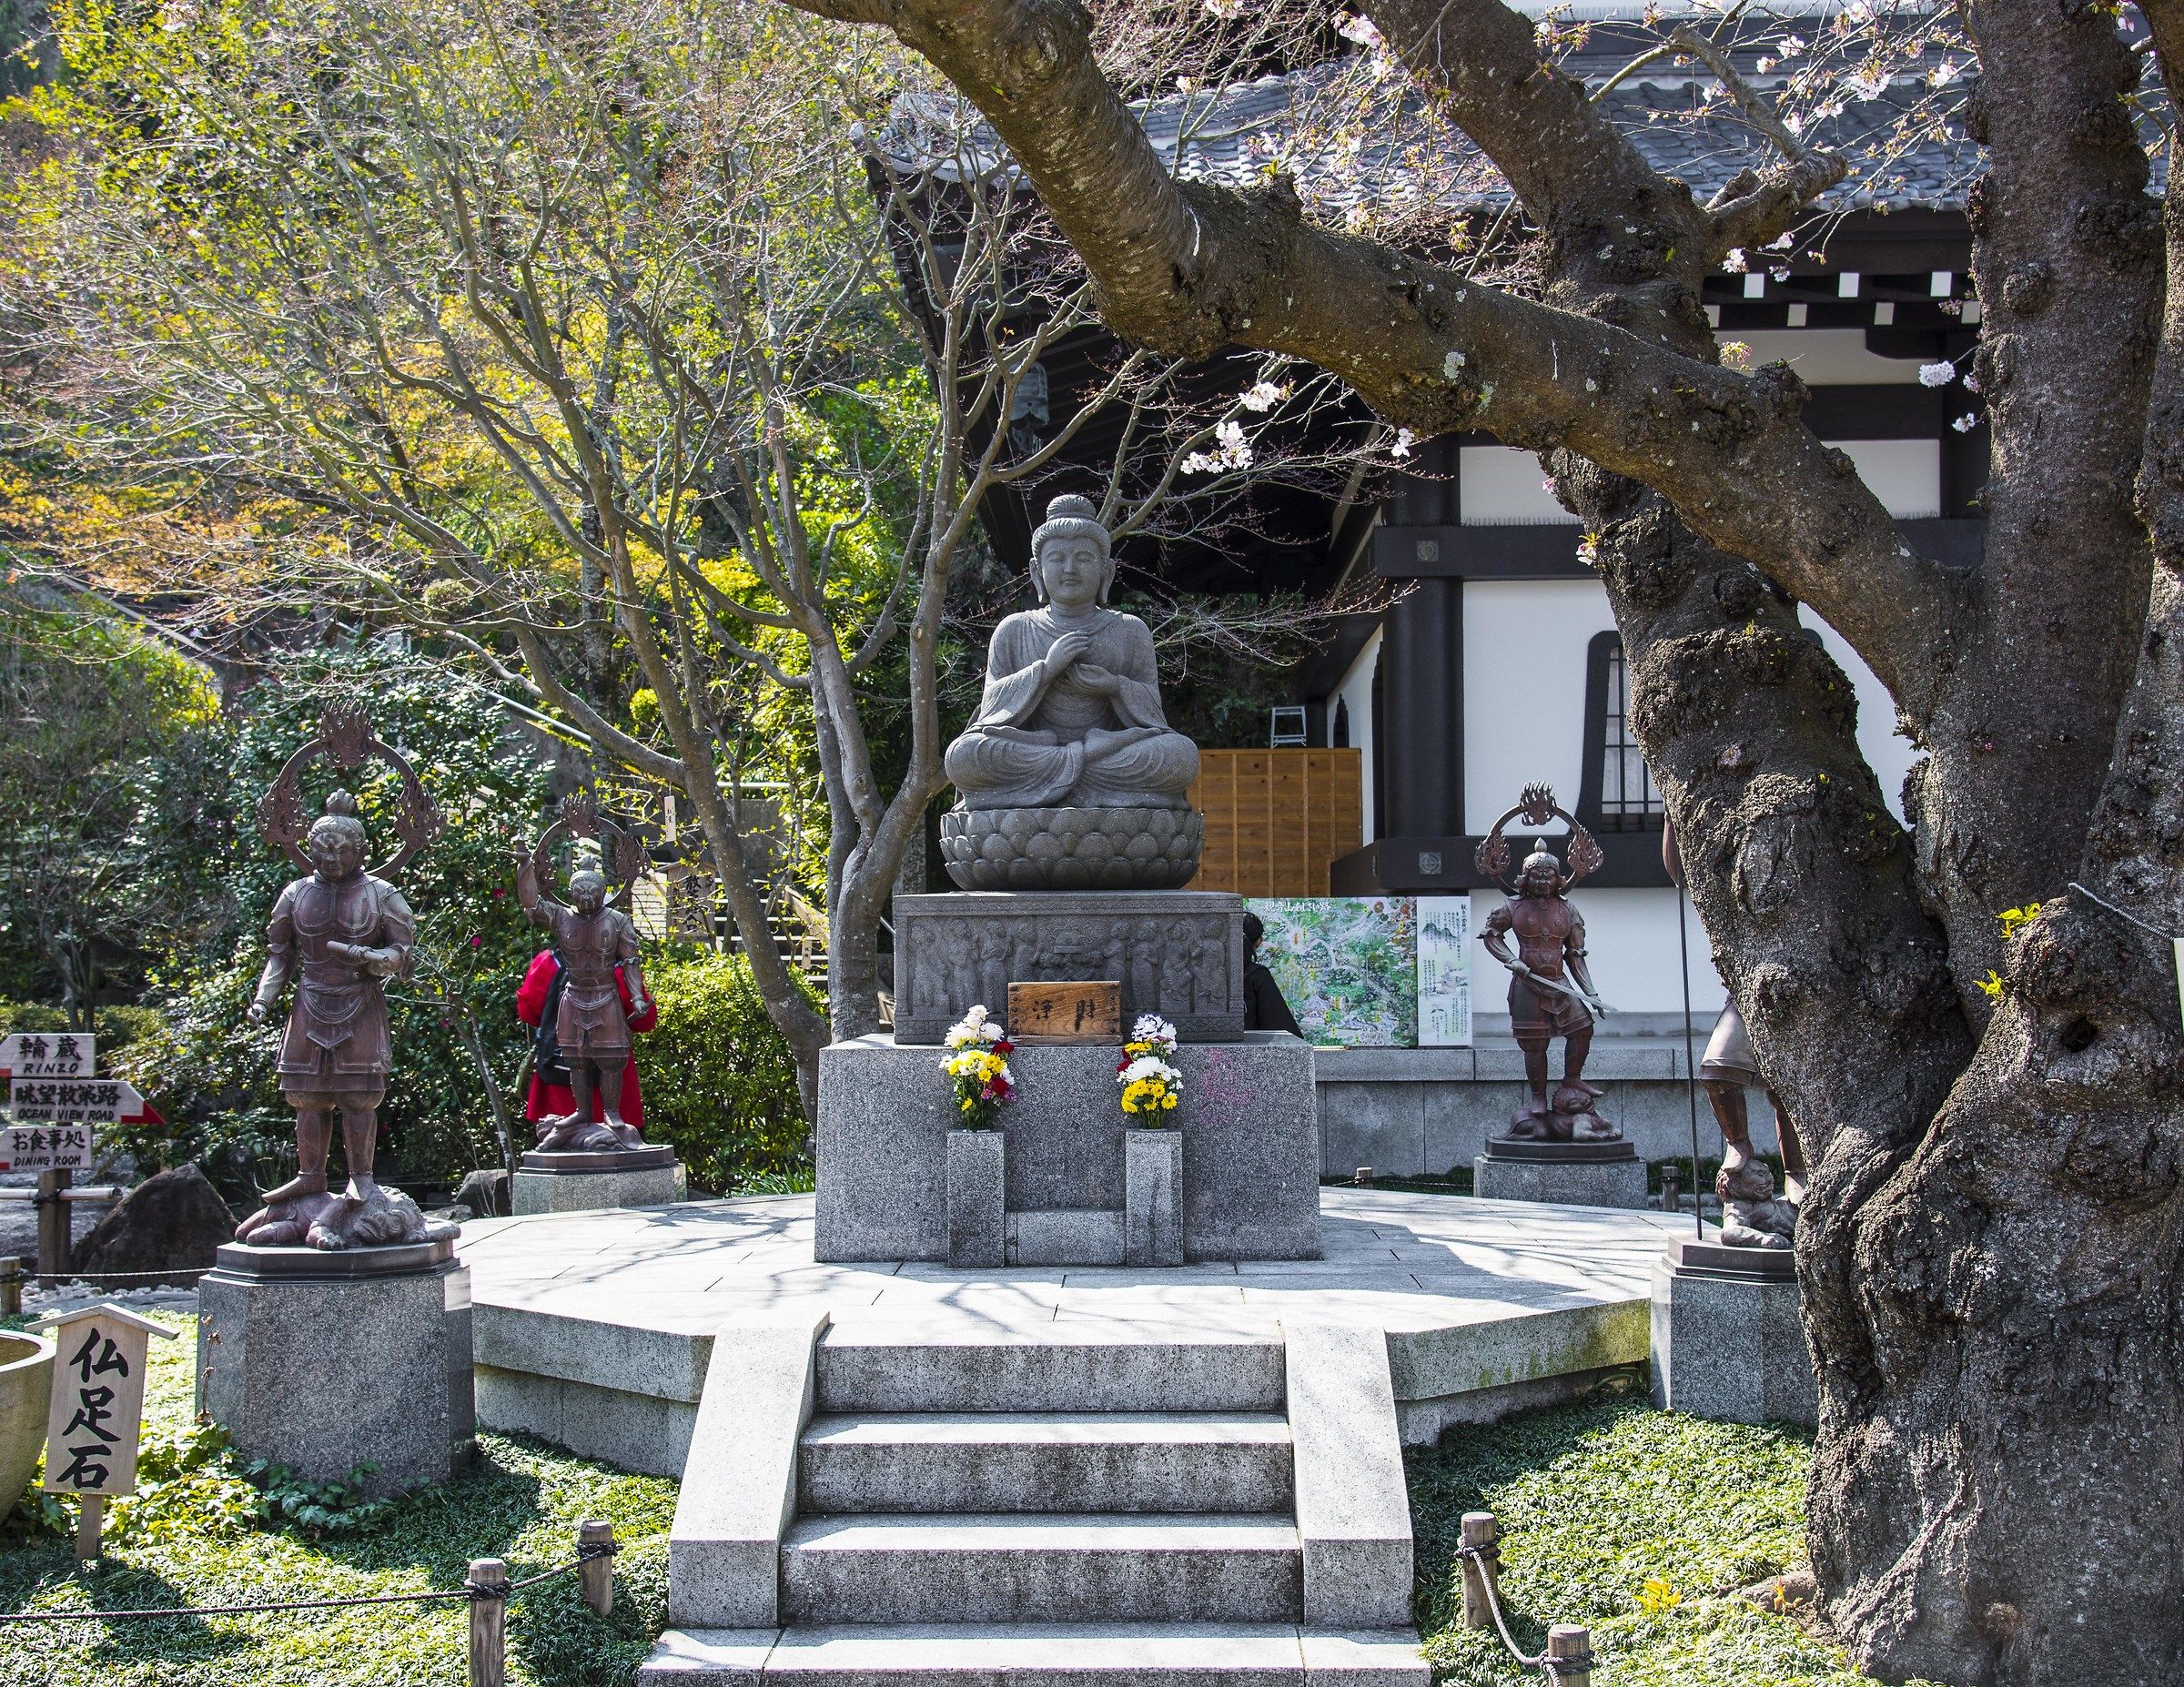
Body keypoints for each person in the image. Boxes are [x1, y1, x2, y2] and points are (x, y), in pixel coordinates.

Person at [943, 494, 1199, 810]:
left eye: (1083, 559)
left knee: (1179, 754)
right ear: (1037, 571)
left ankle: (1060, 783)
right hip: (1038, 753)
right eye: (1056, 558)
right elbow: (991, 708)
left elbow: (1153, 715)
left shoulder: (1130, 630)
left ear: (1106, 572)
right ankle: (1084, 772)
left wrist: (1114, 686)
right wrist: (1045, 670)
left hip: (1108, 755)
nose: (1069, 569)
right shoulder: (1014, 630)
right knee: (964, 755)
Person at [245, 791, 413, 1210]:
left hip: (360, 998)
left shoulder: (381, 894)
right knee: (307, 1095)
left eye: (340, 850)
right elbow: (280, 954)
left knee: (360, 1095)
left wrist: (380, 959)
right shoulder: (295, 893)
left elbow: (402, 950)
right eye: (321, 848)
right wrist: (264, 1000)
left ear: (361, 852)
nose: (330, 858)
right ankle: (310, 1177)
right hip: (311, 998)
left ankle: (362, 1180)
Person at [512, 848, 652, 1147]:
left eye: (593, 891)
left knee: (612, 1058)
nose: (586, 898)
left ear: (603, 892)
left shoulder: (617, 921)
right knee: (575, 1059)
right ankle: (582, 1111)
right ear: (571, 893)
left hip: (605, 994)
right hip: (573, 995)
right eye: (580, 891)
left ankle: (612, 1113)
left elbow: (631, 960)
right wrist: (525, 865)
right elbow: (531, 902)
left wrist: (637, 998)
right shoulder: (561, 917)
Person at [515, 946, 657, 1136]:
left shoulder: (549, 962)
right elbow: (645, 1022)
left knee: (556, 1145)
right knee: (618, 1147)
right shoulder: (619, 968)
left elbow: (528, 1013)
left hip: (556, 1080)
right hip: (615, 1090)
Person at [1242, 912, 1302, 1035]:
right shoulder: (1257, 976)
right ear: (1259, 941)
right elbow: (1281, 1027)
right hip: (1247, 1046)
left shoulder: (1208, 974)